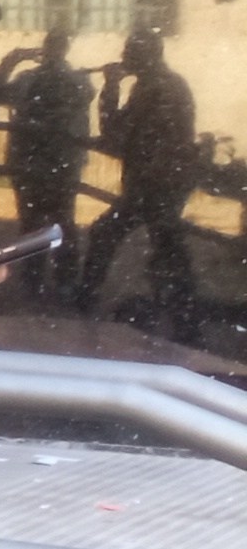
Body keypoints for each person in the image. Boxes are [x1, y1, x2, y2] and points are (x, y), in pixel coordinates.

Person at [87, 29, 201, 326]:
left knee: (111, 235)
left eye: (130, 53)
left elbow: (114, 131)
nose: (124, 58)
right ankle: (185, 313)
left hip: (155, 185)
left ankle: (84, 299)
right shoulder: (165, 85)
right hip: (163, 183)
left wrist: (110, 87)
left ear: (146, 55)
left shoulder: (154, 88)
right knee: (167, 247)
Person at [2, 29, 92, 300]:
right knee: (52, 220)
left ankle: (42, 281)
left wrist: (14, 62)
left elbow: (4, 94)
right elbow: (3, 95)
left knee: (48, 221)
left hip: (44, 161)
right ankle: (47, 280)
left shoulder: (39, 80)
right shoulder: (74, 81)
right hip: (48, 162)